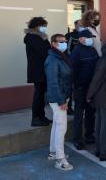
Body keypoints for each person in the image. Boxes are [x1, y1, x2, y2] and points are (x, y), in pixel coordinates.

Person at [45, 34, 73, 171]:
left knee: (57, 125)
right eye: (61, 42)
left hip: (61, 96)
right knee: (61, 127)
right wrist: (62, 101)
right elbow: (53, 83)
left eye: (65, 41)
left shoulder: (60, 56)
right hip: (58, 98)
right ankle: (60, 159)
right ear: (53, 44)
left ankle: (53, 152)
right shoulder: (53, 60)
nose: (64, 43)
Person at [70, 30, 99, 150]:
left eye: (91, 38)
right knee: (78, 114)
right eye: (88, 38)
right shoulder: (76, 53)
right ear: (81, 39)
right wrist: (75, 86)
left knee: (90, 113)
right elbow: (72, 71)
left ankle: (89, 135)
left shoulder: (92, 50)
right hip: (81, 88)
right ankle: (77, 139)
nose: (90, 39)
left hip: (91, 87)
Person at [24, 17, 52, 127]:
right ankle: (36, 118)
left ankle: (41, 116)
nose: (45, 28)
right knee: (38, 94)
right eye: (43, 25)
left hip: (42, 69)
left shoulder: (40, 37)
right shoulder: (32, 37)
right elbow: (44, 51)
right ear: (36, 26)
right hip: (37, 70)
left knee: (41, 94)